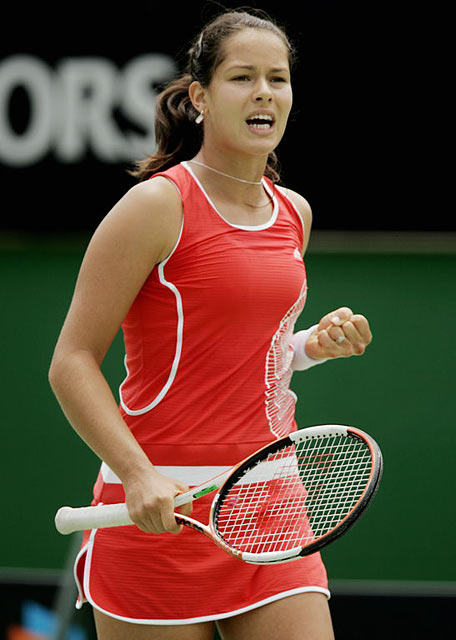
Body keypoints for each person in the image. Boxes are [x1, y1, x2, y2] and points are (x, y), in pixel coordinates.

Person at [49, 9, 372, 640]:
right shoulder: (153, 207)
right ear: (199, 97)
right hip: (155, 513)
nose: (263, 93)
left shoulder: (293, 213)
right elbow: (71, 360)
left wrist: (311, 346)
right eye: (242, 77)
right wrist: (137, 475)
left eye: (277, 79)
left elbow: (251, 352)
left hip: (268, 500)